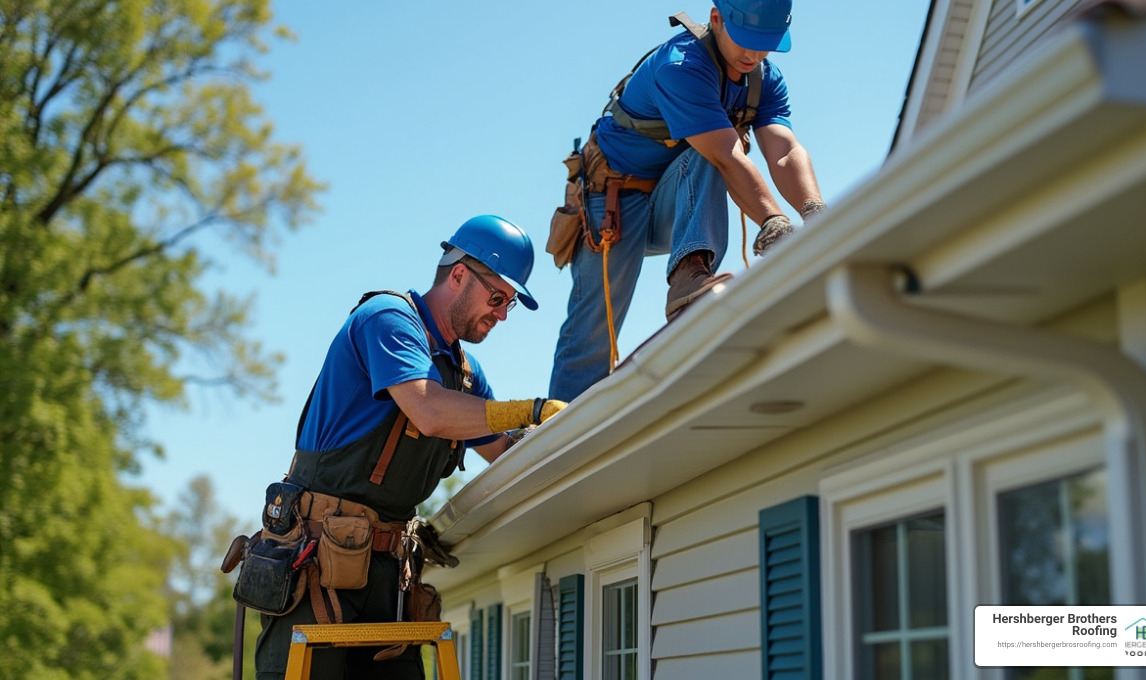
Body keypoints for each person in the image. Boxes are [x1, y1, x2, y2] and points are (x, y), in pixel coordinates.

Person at [253, 215, 567, 680]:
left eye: (510, 305)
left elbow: (502, 451)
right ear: (458, 274)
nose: (502, 314)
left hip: (388, 572)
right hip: (319, 560)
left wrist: (562, 434)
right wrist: (530, 409)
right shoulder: (388, 319)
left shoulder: (463, 374)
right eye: (498, 297)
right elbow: (429, 411)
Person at [548, 0, 826, 402]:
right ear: (716, 20)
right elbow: (726, 157)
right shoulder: (681, 65)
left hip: (674, 199)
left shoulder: (763, 81)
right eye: (746, 41)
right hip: (613, 202)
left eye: (764, 45)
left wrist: (815, 214)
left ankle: (690, 274)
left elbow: (784, 151)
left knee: (709, 154)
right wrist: (775, 223)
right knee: (592, 330)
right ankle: (557, 425)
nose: (753, 55)